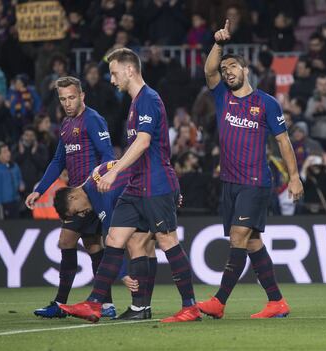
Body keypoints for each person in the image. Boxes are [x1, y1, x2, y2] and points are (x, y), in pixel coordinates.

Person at [59, 48, 201, 323]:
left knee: (166, 240)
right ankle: (98, 304)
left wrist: (114, 172)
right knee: (116, 238)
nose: (112, 80)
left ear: (130, 70)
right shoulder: (136, 103)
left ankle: (190, 306)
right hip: (137, 186)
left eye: (114, 73)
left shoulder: (148, 99)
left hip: (156, 184)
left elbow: (144, 142)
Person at [197, 20, 304, 319]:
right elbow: (208, 71)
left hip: (255, 182)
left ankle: (219, 302)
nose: (227, 71)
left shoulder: (266, 103)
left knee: (238, 237)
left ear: (245, 70)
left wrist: (294, 177)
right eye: (224, 68)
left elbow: (283, 141)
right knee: (252, 242)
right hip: (229, 182)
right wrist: (218, 44)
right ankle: (276, 302)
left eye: (232, 66)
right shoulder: (222, 97)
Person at [25, 76, 118, 319]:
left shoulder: (93, 120)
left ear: (82, 96)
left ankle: (60, 304)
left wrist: (98, 185)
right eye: (63, 99)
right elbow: (58, 161)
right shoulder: (66, 124)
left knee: (67, 242)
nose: (67, 103)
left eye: (71, 97)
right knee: (93, 245)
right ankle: (106, 304)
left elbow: (108, 155)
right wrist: (39, 190)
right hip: (77, 197)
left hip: (90, 197)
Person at [53, 161, 156, 320]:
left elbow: (113, 235)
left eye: (76, 212)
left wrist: (123, 274)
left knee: (140, 242)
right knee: (148, 245)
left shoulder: (98, 194)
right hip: (153, 185)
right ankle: (143, 306)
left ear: (73, 196)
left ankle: (102, 302)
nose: (81, 215)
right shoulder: (93, 179)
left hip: (147, 190)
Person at [0, 141, 24, 219]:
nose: (8, 153)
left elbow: (20, 179)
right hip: (2, 204)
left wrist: (21, 184)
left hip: (15, 201)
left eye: (8, 150)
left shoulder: (14, 166)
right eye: (4, 152)